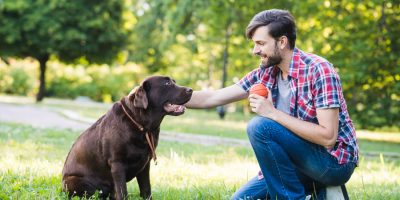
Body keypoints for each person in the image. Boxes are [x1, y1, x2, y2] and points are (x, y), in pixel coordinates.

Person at [185, 9, 358, 200]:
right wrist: (168, 99)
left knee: (260, 127)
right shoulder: (265, 73)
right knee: (241, 199)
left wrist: (272, 113)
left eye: (260, 43)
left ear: (282, 42)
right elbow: (213, 98)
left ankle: (318, 187)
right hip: (297, 165)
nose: (255, 50)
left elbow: (328, 137)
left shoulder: (319, 70)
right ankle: (326, 192)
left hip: (332, 162)